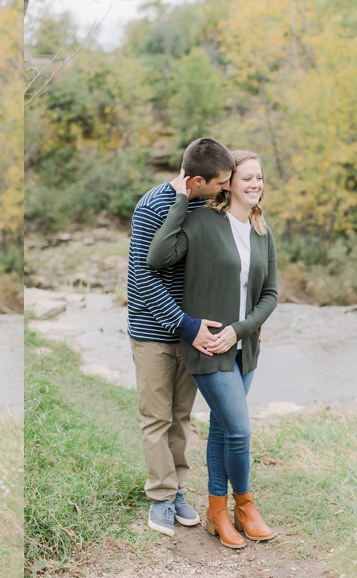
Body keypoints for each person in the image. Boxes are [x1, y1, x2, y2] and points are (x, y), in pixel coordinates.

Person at [146, 150, 278, 549]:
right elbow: (157, 257)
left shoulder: (261, 230)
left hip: (244, 346)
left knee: (222, 430)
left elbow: (270, 296)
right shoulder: (201, 221)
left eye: (260, 178)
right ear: (228, 184)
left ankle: (216, 512)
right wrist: (184, 199)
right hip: (208, 348)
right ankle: (244, 504)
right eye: (247, 178)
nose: (255, 185)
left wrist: (240, 331)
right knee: (238, 431)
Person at [127, 137, 235, 537]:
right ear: (194, 180)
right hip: (153, 333)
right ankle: (161, 497)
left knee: (180, 417)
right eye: (221, 181)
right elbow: (143, 275)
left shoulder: (206, 204)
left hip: (192, 333)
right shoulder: (152, 206)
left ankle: (178, 490)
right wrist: (184, 324)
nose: (226, 187)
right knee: (156, 418)